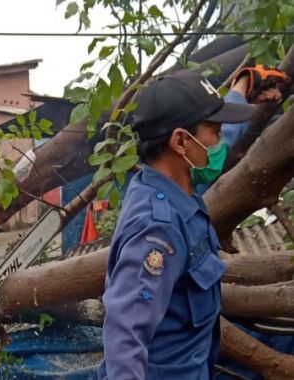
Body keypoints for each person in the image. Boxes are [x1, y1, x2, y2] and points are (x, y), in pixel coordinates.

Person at [99, 66, 288, 380]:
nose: (218, 142)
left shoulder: (176, 184)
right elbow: (125, 335)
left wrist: (243, 85)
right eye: (213, 130)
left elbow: (227, 136)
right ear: (180, 142)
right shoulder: (156, 230)